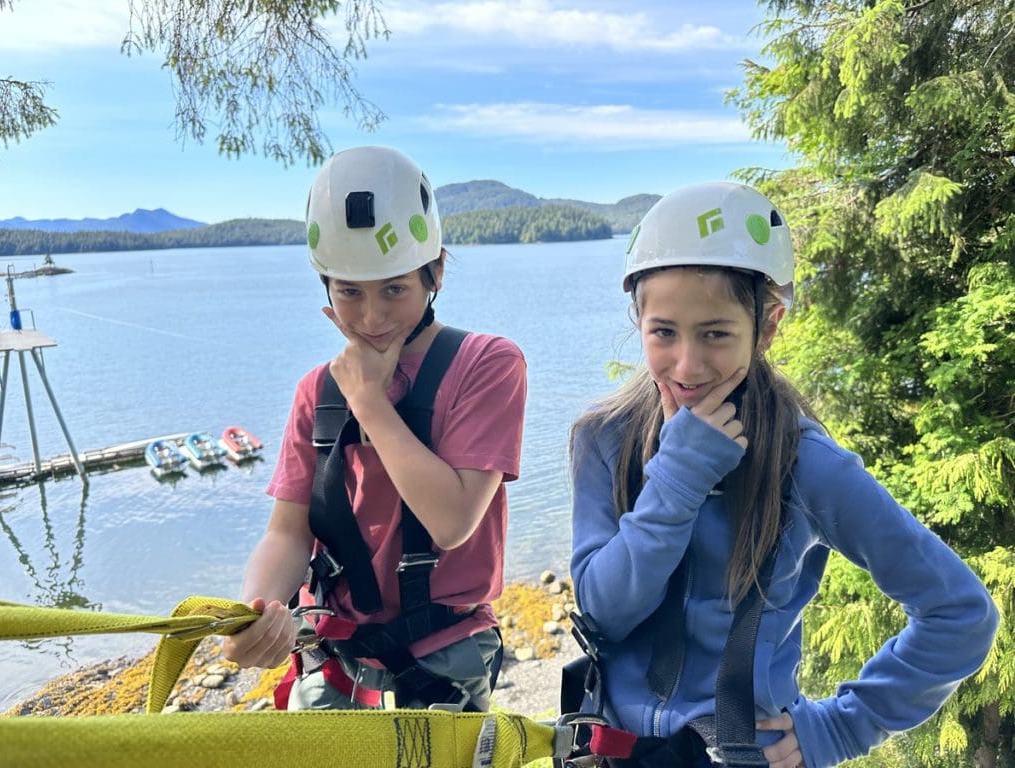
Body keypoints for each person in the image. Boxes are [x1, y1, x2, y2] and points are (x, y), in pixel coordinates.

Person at [568, 182, 998, 768]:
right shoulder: (605, 438)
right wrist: (677, 476)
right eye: (663, 332)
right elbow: (604, 613)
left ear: (766, 327)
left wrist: (841, 728)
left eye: (716, 333)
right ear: (638, 320)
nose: (688, 365)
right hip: (612, 752)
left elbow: (961, 614)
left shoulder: (803, 465)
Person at [223, 146, 527, 713]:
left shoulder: (487, 364)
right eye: (350, 292)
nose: (371, 318)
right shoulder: (317, 392)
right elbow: (289, 532)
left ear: (434, 273)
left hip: (444, 651)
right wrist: (259, 609)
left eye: (394, 289)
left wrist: (369, 401)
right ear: (326, 289)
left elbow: (453, 519)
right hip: (334, 650)